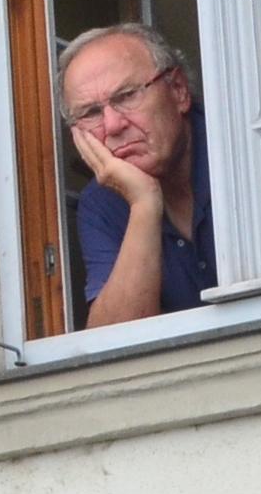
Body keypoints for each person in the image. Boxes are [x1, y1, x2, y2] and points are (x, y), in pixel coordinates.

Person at [59, 23, 215, 328]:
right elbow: (112, 346)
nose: (113, 125)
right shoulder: (101, 202)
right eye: (91, 114)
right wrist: (143, 204)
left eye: (127, 95)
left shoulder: (243, 152)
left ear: (178, 91)